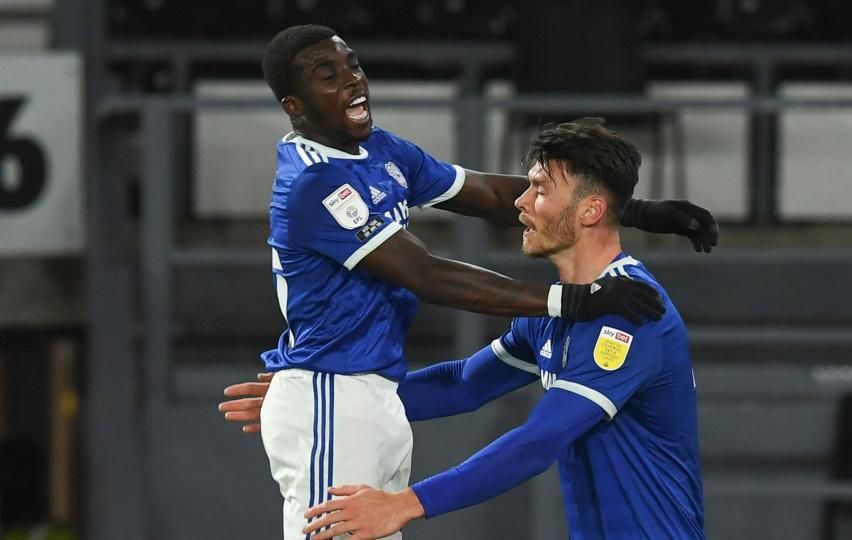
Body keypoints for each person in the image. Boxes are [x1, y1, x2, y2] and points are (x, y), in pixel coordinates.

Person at [241, 23, 716, 540]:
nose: (520, 203)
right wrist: (309, 392)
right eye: (327, 75)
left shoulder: (625, 310)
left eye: (538, 190)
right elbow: (462, 375)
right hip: (335, 394)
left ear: (590, 210)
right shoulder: (567, 310)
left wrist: (408, 499)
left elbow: (536, 441)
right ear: (295, 104)